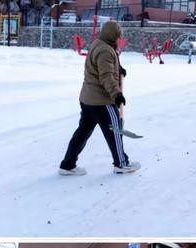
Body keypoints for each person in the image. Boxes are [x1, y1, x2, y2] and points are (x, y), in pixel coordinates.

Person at [59, 21, 141, 175]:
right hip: (101, 102)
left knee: (82, 132)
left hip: (87, 99)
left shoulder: (98, 43)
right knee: (115, 132)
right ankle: (121, 164)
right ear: (113, 35)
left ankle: (67, 165)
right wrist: (116, 94)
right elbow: (106, 76)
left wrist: (118, 68)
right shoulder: (105, 50)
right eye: (118, 36)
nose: (119, 38)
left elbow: (102, 67)